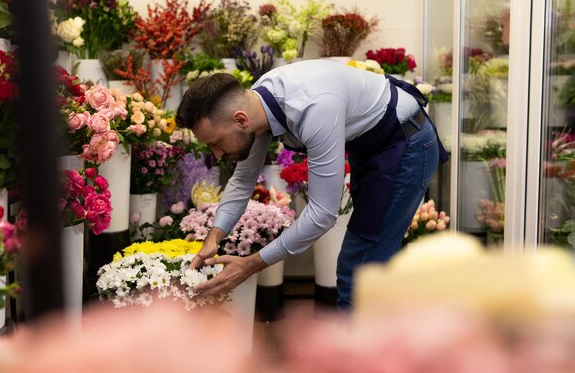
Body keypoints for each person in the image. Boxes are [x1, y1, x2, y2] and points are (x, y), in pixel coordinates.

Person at [176, 59, 448, 308]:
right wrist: (215, 235)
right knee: (370, 262)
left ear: (240, 120)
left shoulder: (314, 108)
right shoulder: (255, 103)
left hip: (405, 144)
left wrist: (251, 265)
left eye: (215, 143)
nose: (217, 154)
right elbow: (243, 178)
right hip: (372, 143)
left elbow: (322, 214)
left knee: (360, 268)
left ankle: (365, 358)